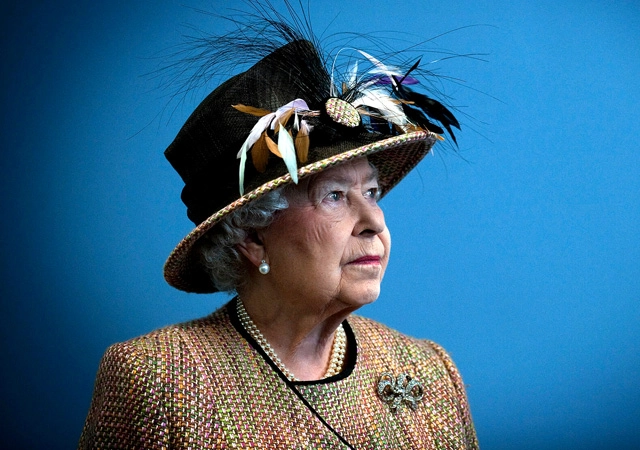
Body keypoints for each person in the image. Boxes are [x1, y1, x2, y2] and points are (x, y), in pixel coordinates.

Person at [79, 7, 478, 449]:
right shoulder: (159, 380)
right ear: (252, 237)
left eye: (372, 192)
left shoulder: (430, 371)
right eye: (334, 196)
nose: (374, 223)